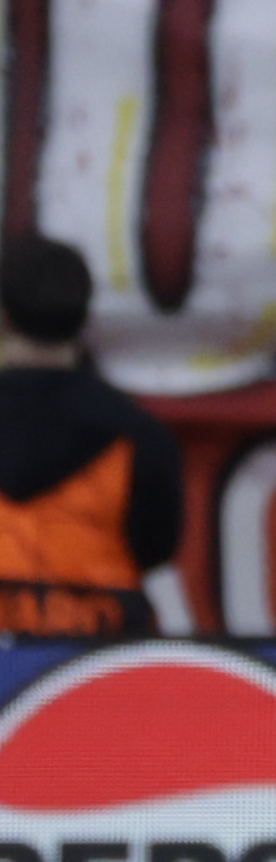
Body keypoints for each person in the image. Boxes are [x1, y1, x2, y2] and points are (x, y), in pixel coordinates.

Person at [0, 235, 182, 638]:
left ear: (3, 316)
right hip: (97, 653)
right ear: (85, 320)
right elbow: (156, 548)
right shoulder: (138, 433)